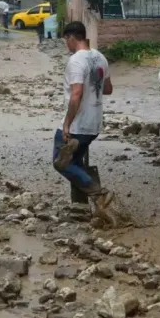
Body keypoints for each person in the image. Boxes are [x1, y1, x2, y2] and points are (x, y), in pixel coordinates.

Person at [52, 21, 116, 220]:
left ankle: (99, 193)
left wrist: (66, 124)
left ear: (71, 37)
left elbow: (76, 94)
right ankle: (81, 207)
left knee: (60, 162)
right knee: (76, 162)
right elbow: (108, 89)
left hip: (78, 125)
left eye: (66, 40)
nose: (66, 45)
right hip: (94, 123)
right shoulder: (100, 57)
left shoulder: (76, 61)